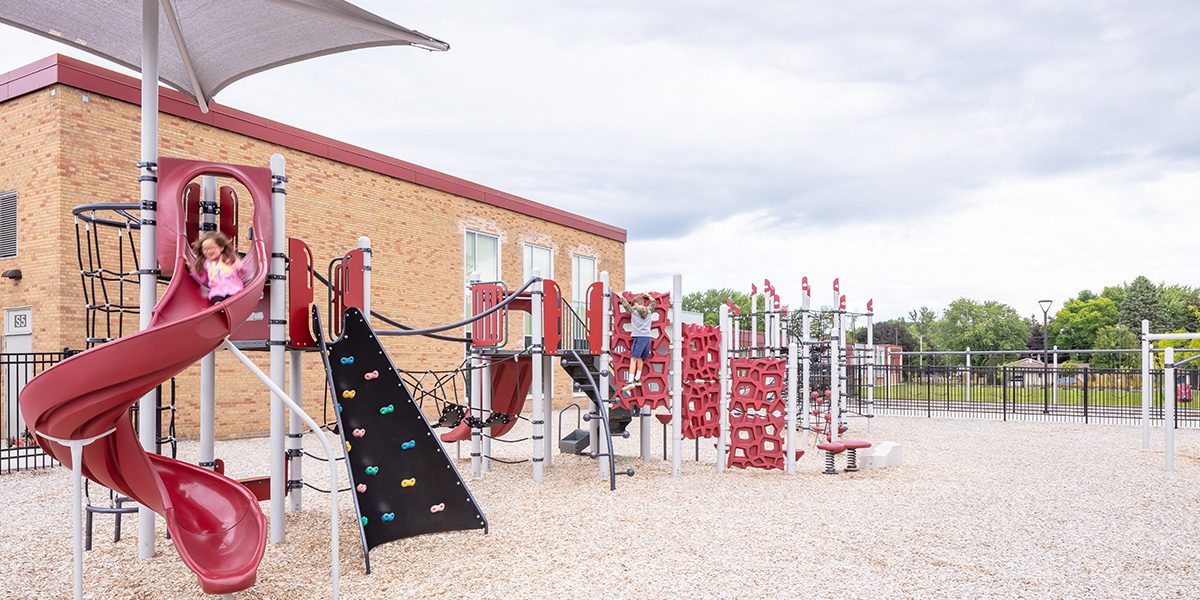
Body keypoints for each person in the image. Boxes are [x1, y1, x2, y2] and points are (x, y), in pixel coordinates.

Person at [189, 232, 246, 304]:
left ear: (221, 247)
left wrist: (240, 267)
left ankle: (228, 307)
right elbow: (202, 279)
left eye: (212, 248)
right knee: (216, 300)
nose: (209, 251)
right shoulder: (206, 264)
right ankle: (219, 308)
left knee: (231, 300)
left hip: (233, 288)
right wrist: (191, 270)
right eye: (205, 249)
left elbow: (243, 272)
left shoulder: (229, 259)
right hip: (217, 291)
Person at [618, 293, 657, 391]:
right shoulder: (649, 311)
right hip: (648, 337)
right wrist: (649, 296)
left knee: (633, 359)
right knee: (640, 359)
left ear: (635, 304)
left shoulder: (634, 311)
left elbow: (626, 306)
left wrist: (621, 297)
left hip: (639, 337)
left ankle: (630, 381)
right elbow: (653, 302)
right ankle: (637, 379)